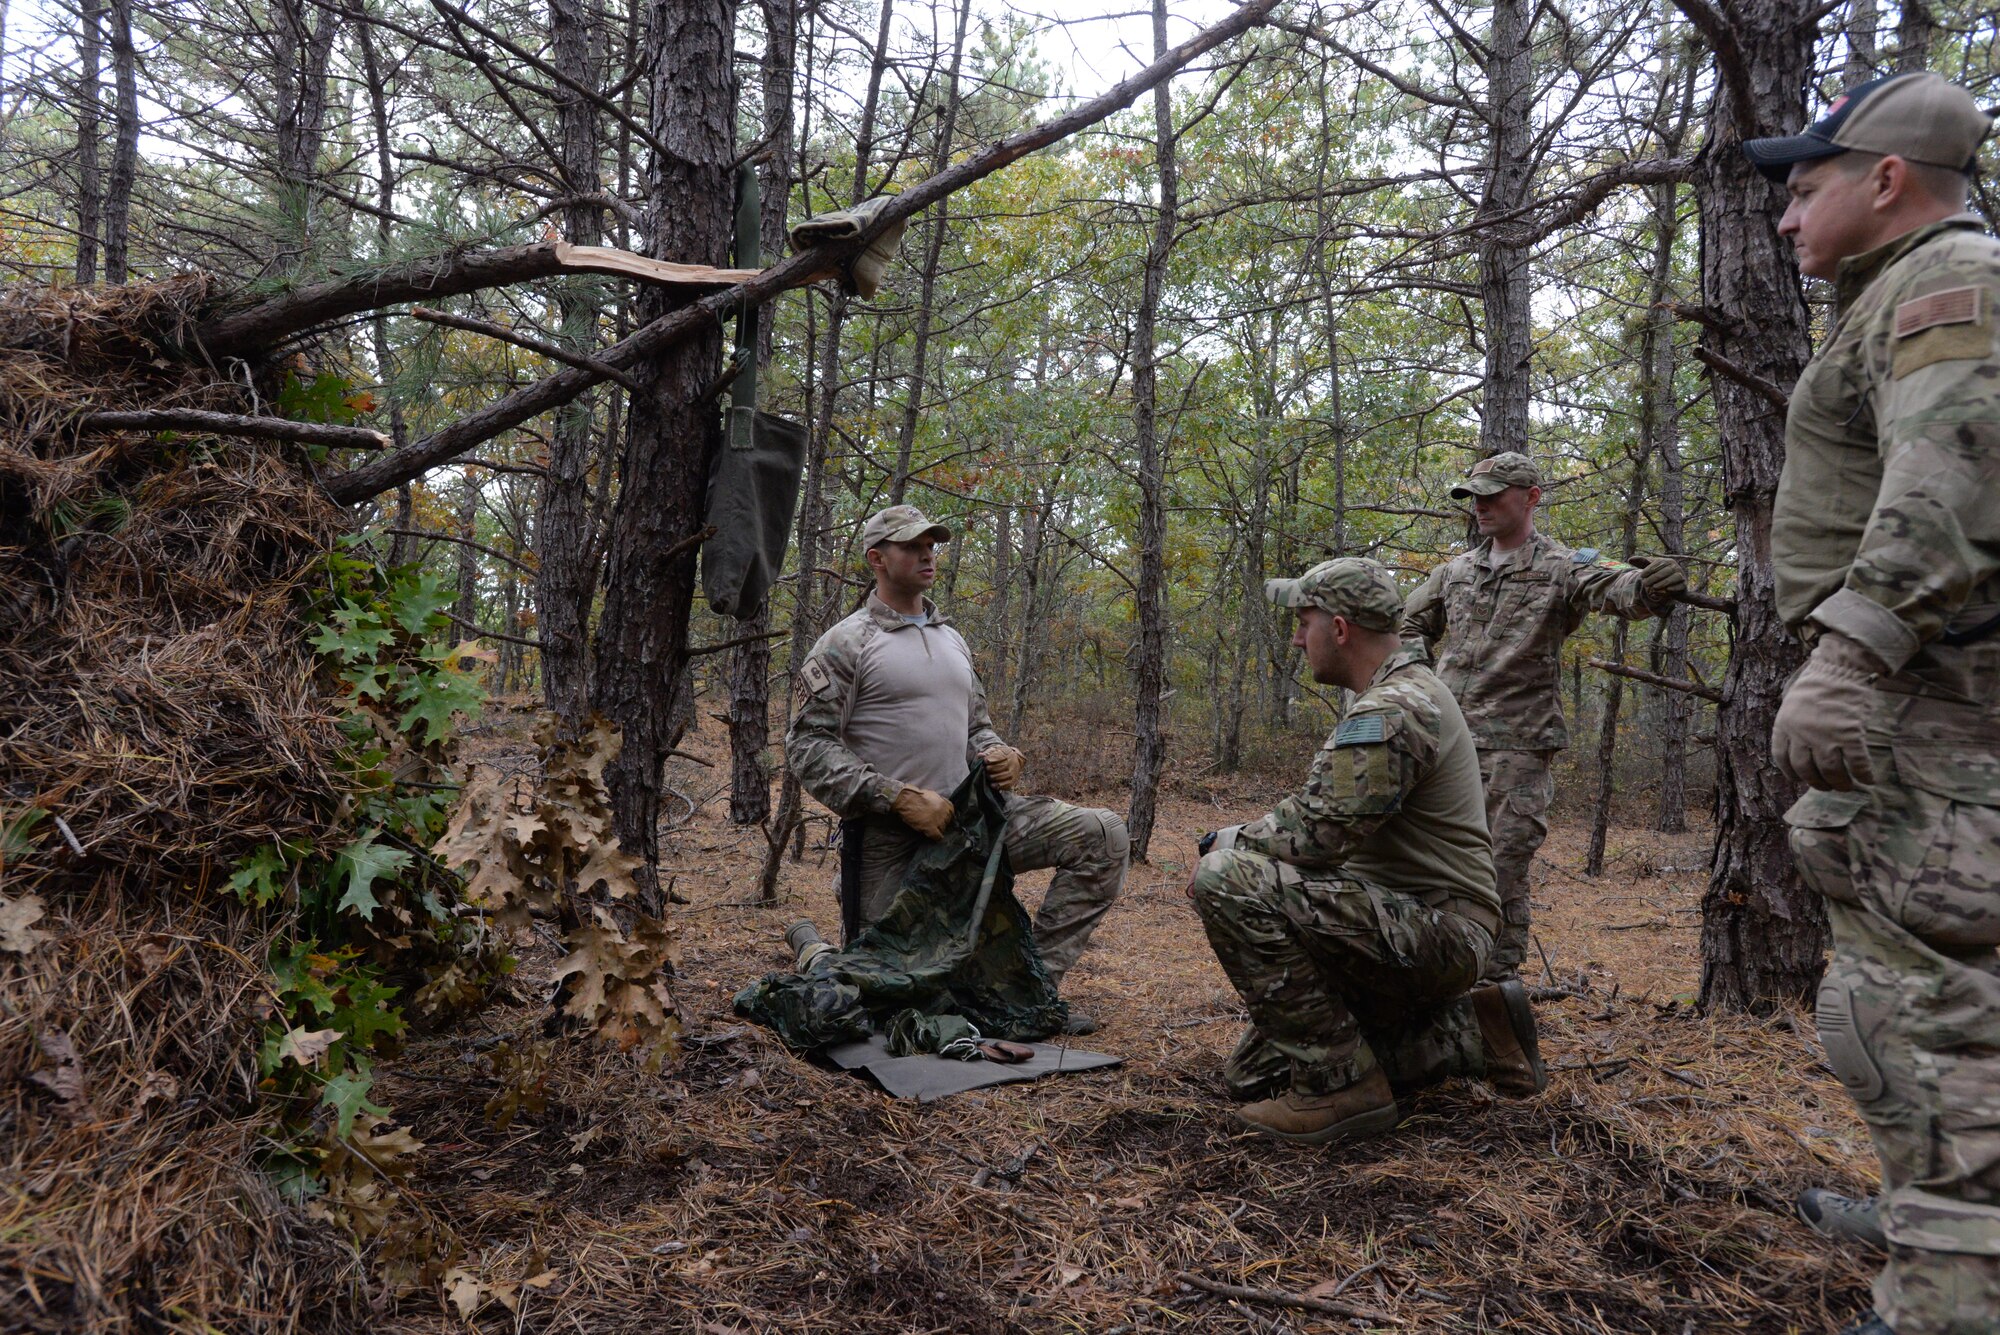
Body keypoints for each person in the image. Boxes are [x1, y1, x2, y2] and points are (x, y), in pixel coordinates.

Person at [1745, 70, 2000, 1335]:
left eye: (1804, 190)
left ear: (1884, 179)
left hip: (1940, 714)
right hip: (1929, 707)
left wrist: (1852, 649)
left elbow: (1955, 466)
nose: (1788, 220)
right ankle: (1922, 1215)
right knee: (1898, 994)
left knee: (1929, 1012)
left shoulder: (1948, 288)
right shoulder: (1893, 295)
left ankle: (1946, 1295)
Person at [1187, 557, 1547, 1143]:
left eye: (1303, 621)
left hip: (1439, 928)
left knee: (1226, 878)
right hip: (1405, 920)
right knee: (1253, 1076)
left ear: (1340, 627)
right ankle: (1473, 1033)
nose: (1296, 637)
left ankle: (1341, 1091)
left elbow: (1316, 834)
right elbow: (1326, 824)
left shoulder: (1397, 707)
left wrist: (1227, 841)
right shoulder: (1393, 695)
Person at [786, 504, 1129, 1030]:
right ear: (877, 558)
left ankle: (1029, 991)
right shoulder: (847, 642)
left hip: (973, 826)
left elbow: (976, 728)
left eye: (931, 544)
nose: (927, 553)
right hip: (889, 839)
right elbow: (807, 746)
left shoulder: (952, 639)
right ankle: (816, 947)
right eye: (910, 546)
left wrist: (1000, 755)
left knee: (1102, 835)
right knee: (885, 1004)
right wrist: (894, 797)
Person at [1401, 451, 1687, 982]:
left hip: (1516, 745)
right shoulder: (1457, 571)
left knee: (1500, 869)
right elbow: (1406, 624)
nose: (1481, 506)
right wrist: (1420, 683)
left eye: (1492, 495)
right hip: (1443, 741)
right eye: (1474, 497)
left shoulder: (1563, 565)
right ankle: (1434, 975)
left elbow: (1621, 589)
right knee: (1434, 865)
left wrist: (1651, 587)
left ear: (1531, 497)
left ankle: (1492, 993)